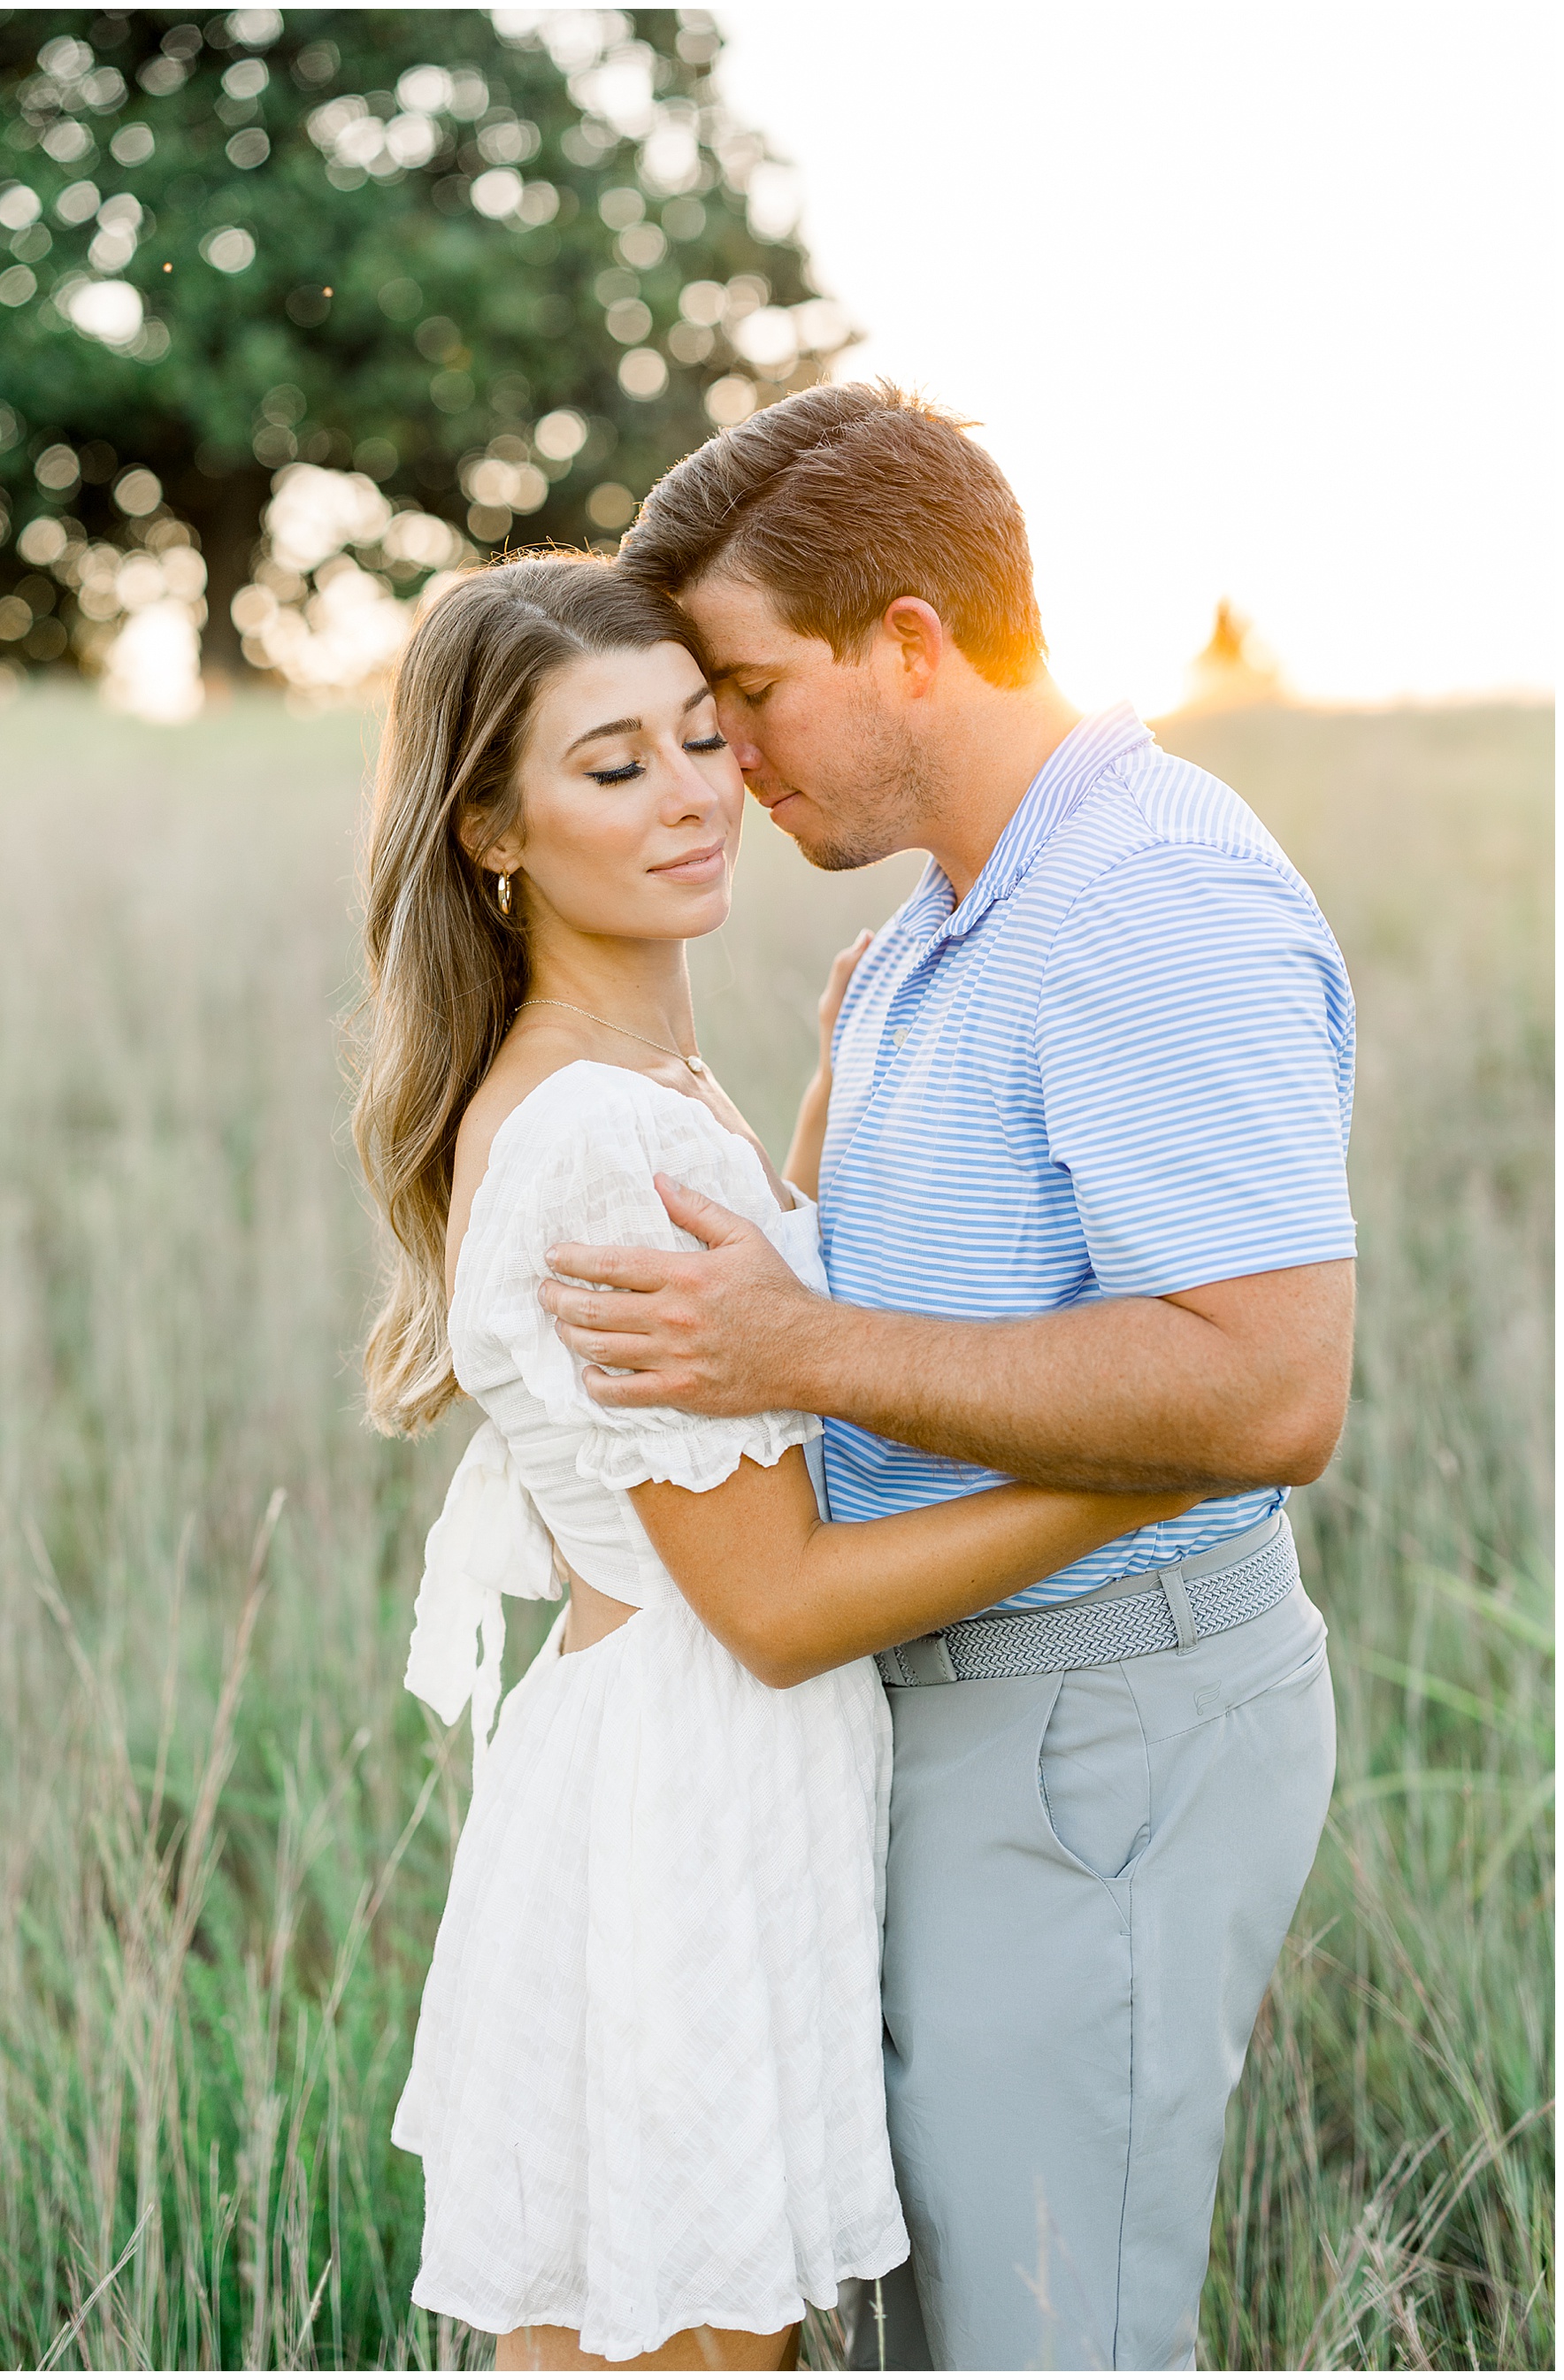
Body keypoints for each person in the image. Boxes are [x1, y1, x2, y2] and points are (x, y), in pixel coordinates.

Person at [533, 385, 1357, 2370]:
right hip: (951, 1723)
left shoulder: (1143, 897)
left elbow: (1272, 1388)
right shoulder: (930, 934)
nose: (725, 759)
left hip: (1104, 1735)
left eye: (747, 689)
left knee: (1047, 2346)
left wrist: (800, 1340)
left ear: (912, 641)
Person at [352, 553, 1188, 2372]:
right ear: (491, 830)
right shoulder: (591, 1135)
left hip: (689, 1780)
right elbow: (776, 1604)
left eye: (701, 734)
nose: (691, 793)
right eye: (611, 765)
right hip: (687, 1809)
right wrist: (1153, 1462)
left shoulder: (656, 1094)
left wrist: (814, 1124)